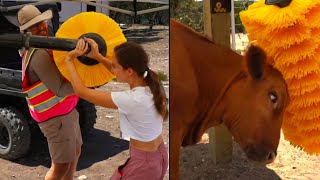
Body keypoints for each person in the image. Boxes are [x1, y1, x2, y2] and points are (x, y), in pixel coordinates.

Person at [65, 38, 168, 179]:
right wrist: (98, 57)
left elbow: (81, 91)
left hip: (144, 165)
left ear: (130, 71)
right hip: (158, 155)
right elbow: (119, 73)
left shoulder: (131, 99)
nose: (112, 69)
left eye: (114, 66)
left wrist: (69, 59)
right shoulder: (152, 82)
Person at [17, 5, 82, 180]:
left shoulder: (45, 45)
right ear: (26, 31)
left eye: (41, 22)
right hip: (56, 119)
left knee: (74, 152)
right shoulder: (38, 53)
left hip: (66, 112)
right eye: (34, 26)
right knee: (60, 166)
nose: (41, 27)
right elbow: (59, 89)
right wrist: (86, 86)